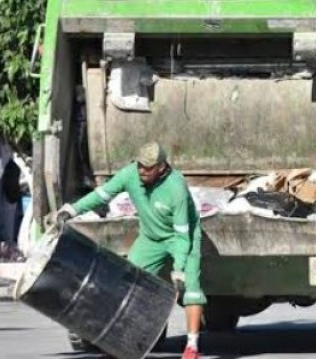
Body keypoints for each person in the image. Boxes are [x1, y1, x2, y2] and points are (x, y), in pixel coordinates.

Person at [56, 142, 205, 359]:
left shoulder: (176, 187)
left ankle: (192, 347)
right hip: (151, 238)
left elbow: (183, 234)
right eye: (139, 165)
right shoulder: (130, 174)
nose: (142, 171)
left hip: (183, 238)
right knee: (128, 283)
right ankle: (119, 345)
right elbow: (101, 195)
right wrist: (72, 209)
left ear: (161, 167)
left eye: (148, 168)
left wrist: (179, 267)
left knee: (191, 287)